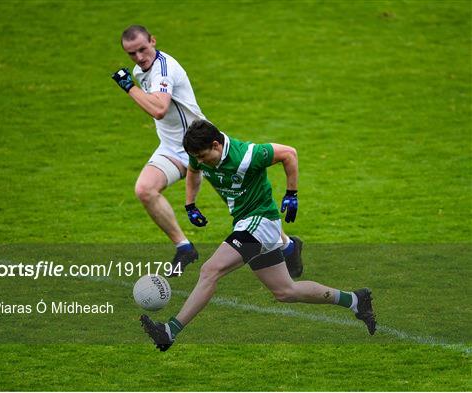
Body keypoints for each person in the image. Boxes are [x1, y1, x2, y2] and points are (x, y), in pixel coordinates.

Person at [140, 119, 377, 351]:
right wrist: (190, 204)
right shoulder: (198, 155)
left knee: (210, 270)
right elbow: (193, 170)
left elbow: (289, 153)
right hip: (249, 224)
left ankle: (169, 331)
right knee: (285, 292)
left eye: (204, 156)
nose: (201, 162)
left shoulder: (248, 155)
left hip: (260, 221)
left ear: (216, 145)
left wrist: (291, 193)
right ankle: (355, 300)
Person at [111, 25, 303, 278]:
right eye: (131, 54)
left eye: (142, 50)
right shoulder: (140, 70)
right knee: (145, 190)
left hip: (200, 146)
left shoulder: (164, 70)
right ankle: (184, 247)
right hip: (171, 147)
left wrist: (129, 87)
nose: (138, 58)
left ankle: (288, 247)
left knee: (245, 206)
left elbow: (158, 109)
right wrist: (190, 204)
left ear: (153, 41)